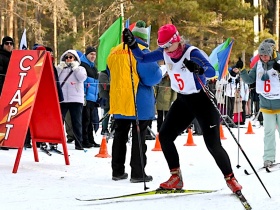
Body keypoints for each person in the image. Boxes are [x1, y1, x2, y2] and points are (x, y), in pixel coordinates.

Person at [123, 23, 243, 193]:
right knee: (165, 136)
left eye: (168, 46)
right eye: (162, 47)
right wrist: (133, 45)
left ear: (177, 40)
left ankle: (230, 179)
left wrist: (199, 69)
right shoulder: (164, 52)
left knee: (212, 144)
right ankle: (176, 177)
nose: (166, 50)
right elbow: (142, 58)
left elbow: (211, 72)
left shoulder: (192, 53)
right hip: (183, 101)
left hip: (202, 101)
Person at [107, 20, 162, 183]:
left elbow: (110, 73)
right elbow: (152, 77)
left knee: (120, 135)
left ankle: (117, 171)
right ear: (144, 38)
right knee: (139, 137)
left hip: (118, 100)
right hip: (139, 101)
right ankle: (138, 173)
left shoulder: (114, 52)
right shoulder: (142, 52)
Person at [234, 39, 280, 167]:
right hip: (266, 104)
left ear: (272, 53)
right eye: (261, 55)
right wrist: (242, 70)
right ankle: (268, 158)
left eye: (266, 55)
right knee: (268, 133)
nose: (263, 58)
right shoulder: (258, 64)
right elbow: (249, 80)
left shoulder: (279, 62)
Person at [57, 50, 87, 150]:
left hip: (76, 99)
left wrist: (75, 68)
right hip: (62, 99)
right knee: (59, 121)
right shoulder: (60, 68)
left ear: (75, 58)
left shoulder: (80, 68)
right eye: (67, 57)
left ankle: (79, 143)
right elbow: (54, 78)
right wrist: (60, 68)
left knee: (77, 122)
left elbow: (82, 78)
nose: (68, 59)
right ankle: (55, 141)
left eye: (71, 57)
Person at [80, 46, 100, 148]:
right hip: (85, 97)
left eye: (94, 54)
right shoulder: (82, 65)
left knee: (91, 120)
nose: (93, 56)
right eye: (91, 54)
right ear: (86, 54)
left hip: (92, 97)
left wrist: (98, 97)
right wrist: (83, 95)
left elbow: (96, 84)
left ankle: (91, 139)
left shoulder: (93, 67)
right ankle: (84, 140)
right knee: (85, 120)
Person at [0, 36, 14, 150]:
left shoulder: (14, 56)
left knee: (7, 116)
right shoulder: (1, 56)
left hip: (11, 90)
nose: (9, 45)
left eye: (11, 43)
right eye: (7, 43)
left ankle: (7, 139)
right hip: (2, 89)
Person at [98, 69, 110, 136]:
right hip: (105, 97)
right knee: (106, 113)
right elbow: (106, 86)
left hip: (111, 97)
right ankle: (104, 128)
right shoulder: (103, 74)